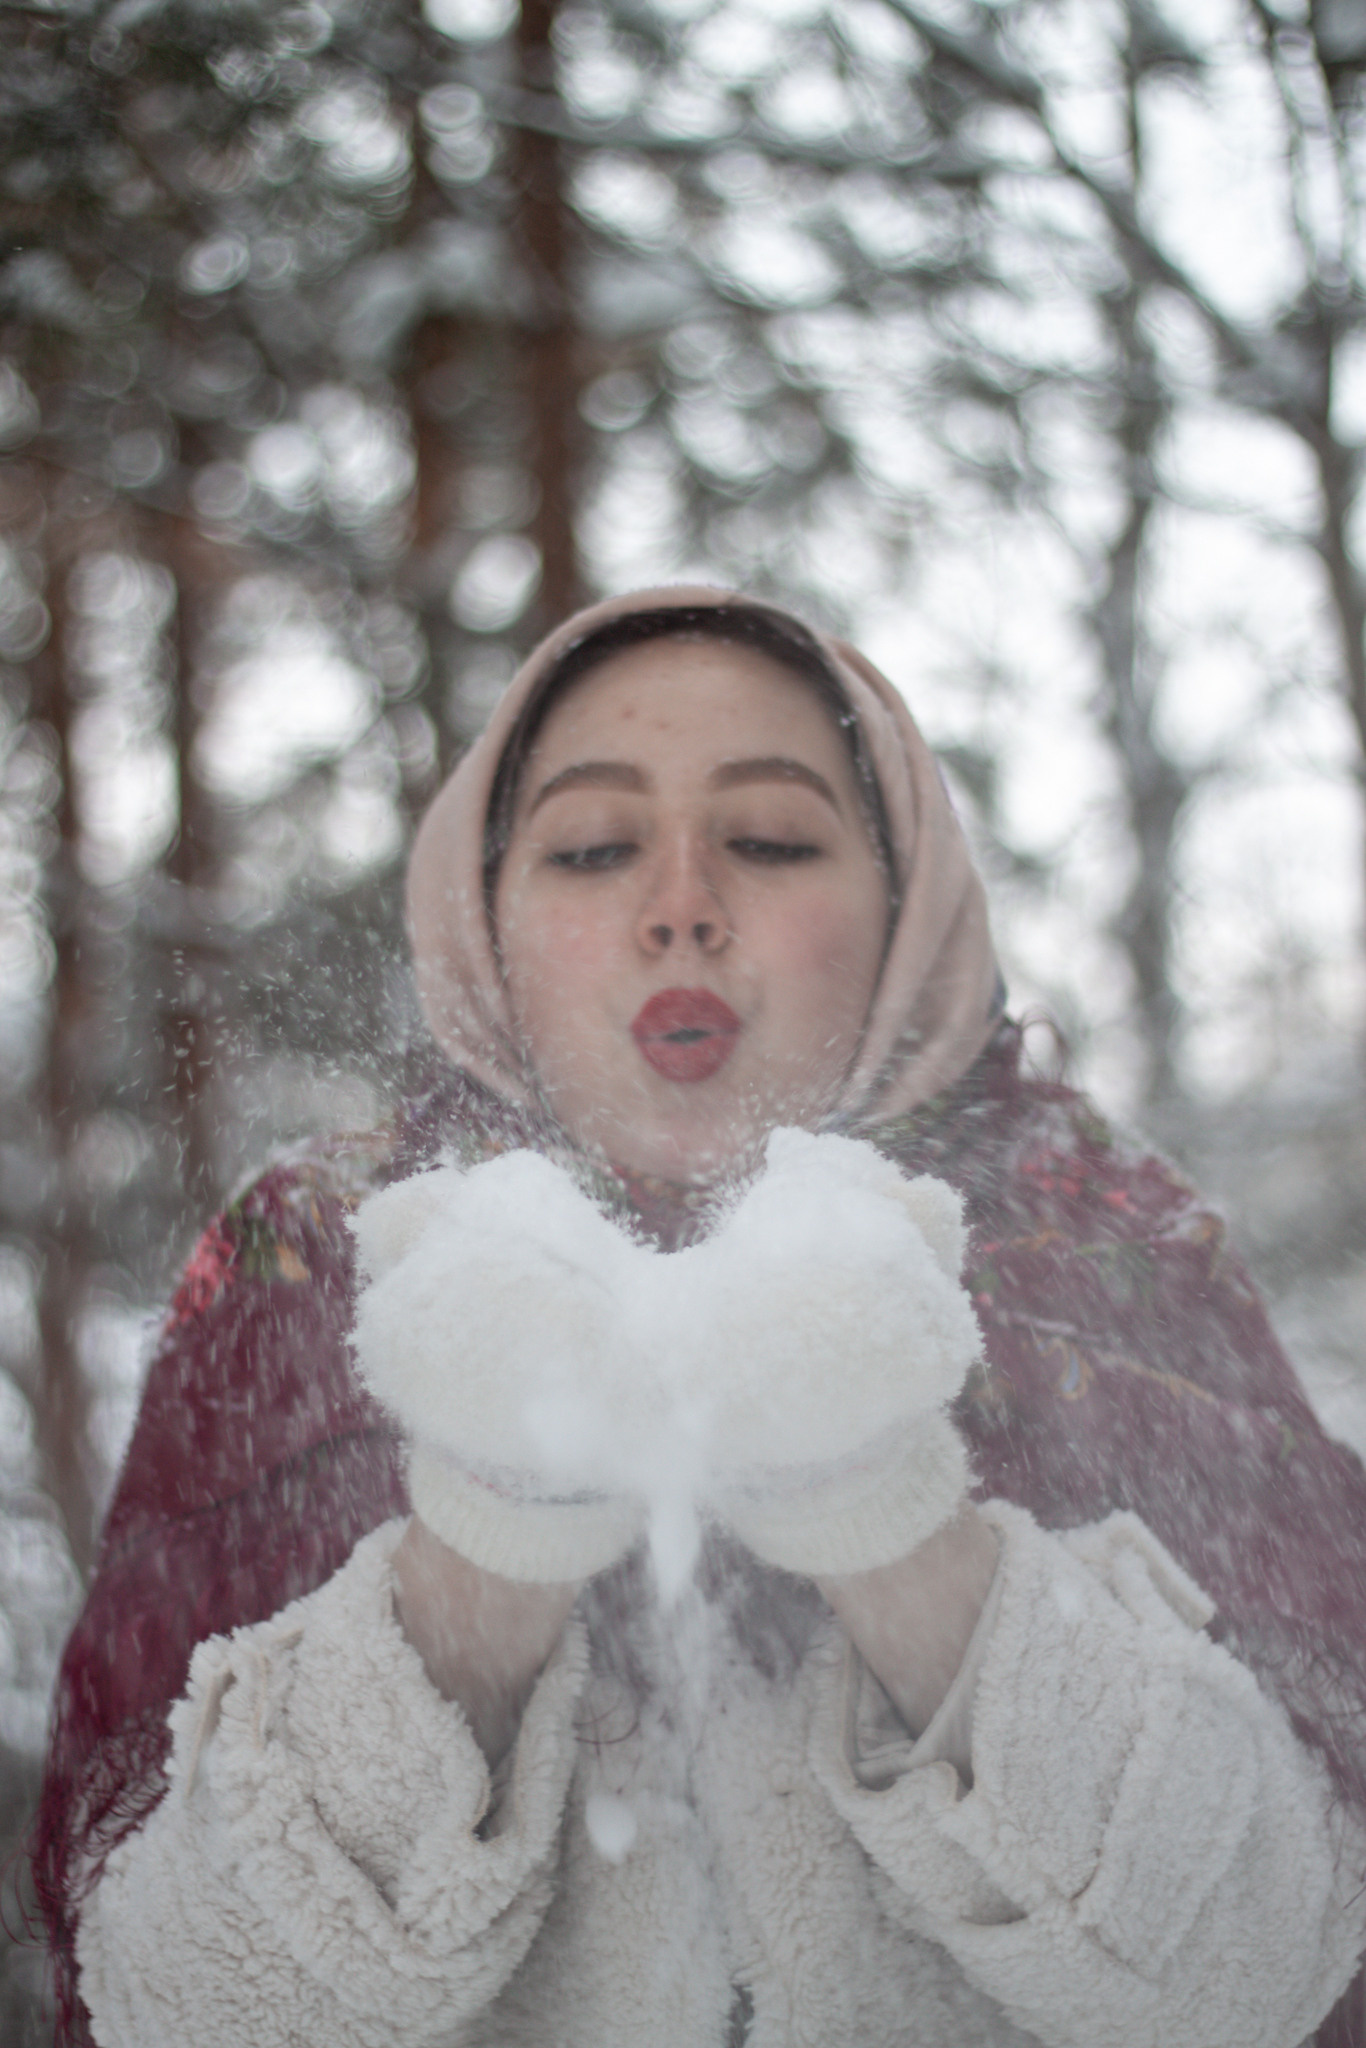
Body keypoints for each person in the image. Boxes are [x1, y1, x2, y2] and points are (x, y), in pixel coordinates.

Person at [32, 586, 1366, 2048]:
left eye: (772, 839)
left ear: (907, 909)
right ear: (486, 924)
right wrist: (488, 1536)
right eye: (594, 847)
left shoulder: (1105, 1249)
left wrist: (893, 1518)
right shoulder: (323, 1264)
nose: (679, 900)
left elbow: (1274, 1974)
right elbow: (170, 2003)